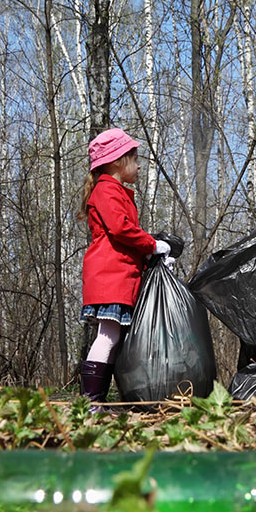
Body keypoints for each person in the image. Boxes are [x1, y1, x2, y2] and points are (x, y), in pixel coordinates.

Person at [79, 128, 170, 407]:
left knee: (112, 337)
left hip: (117, 277)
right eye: (135, 158)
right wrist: (151, 244)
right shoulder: (107, 190)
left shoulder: (113, 191)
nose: (139, 165)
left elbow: (123, 235)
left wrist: (151, 253)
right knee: (108, 336)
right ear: (118, 161)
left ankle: (96, 401)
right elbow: (120, 229)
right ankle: (91, 402)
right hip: (111, 277)